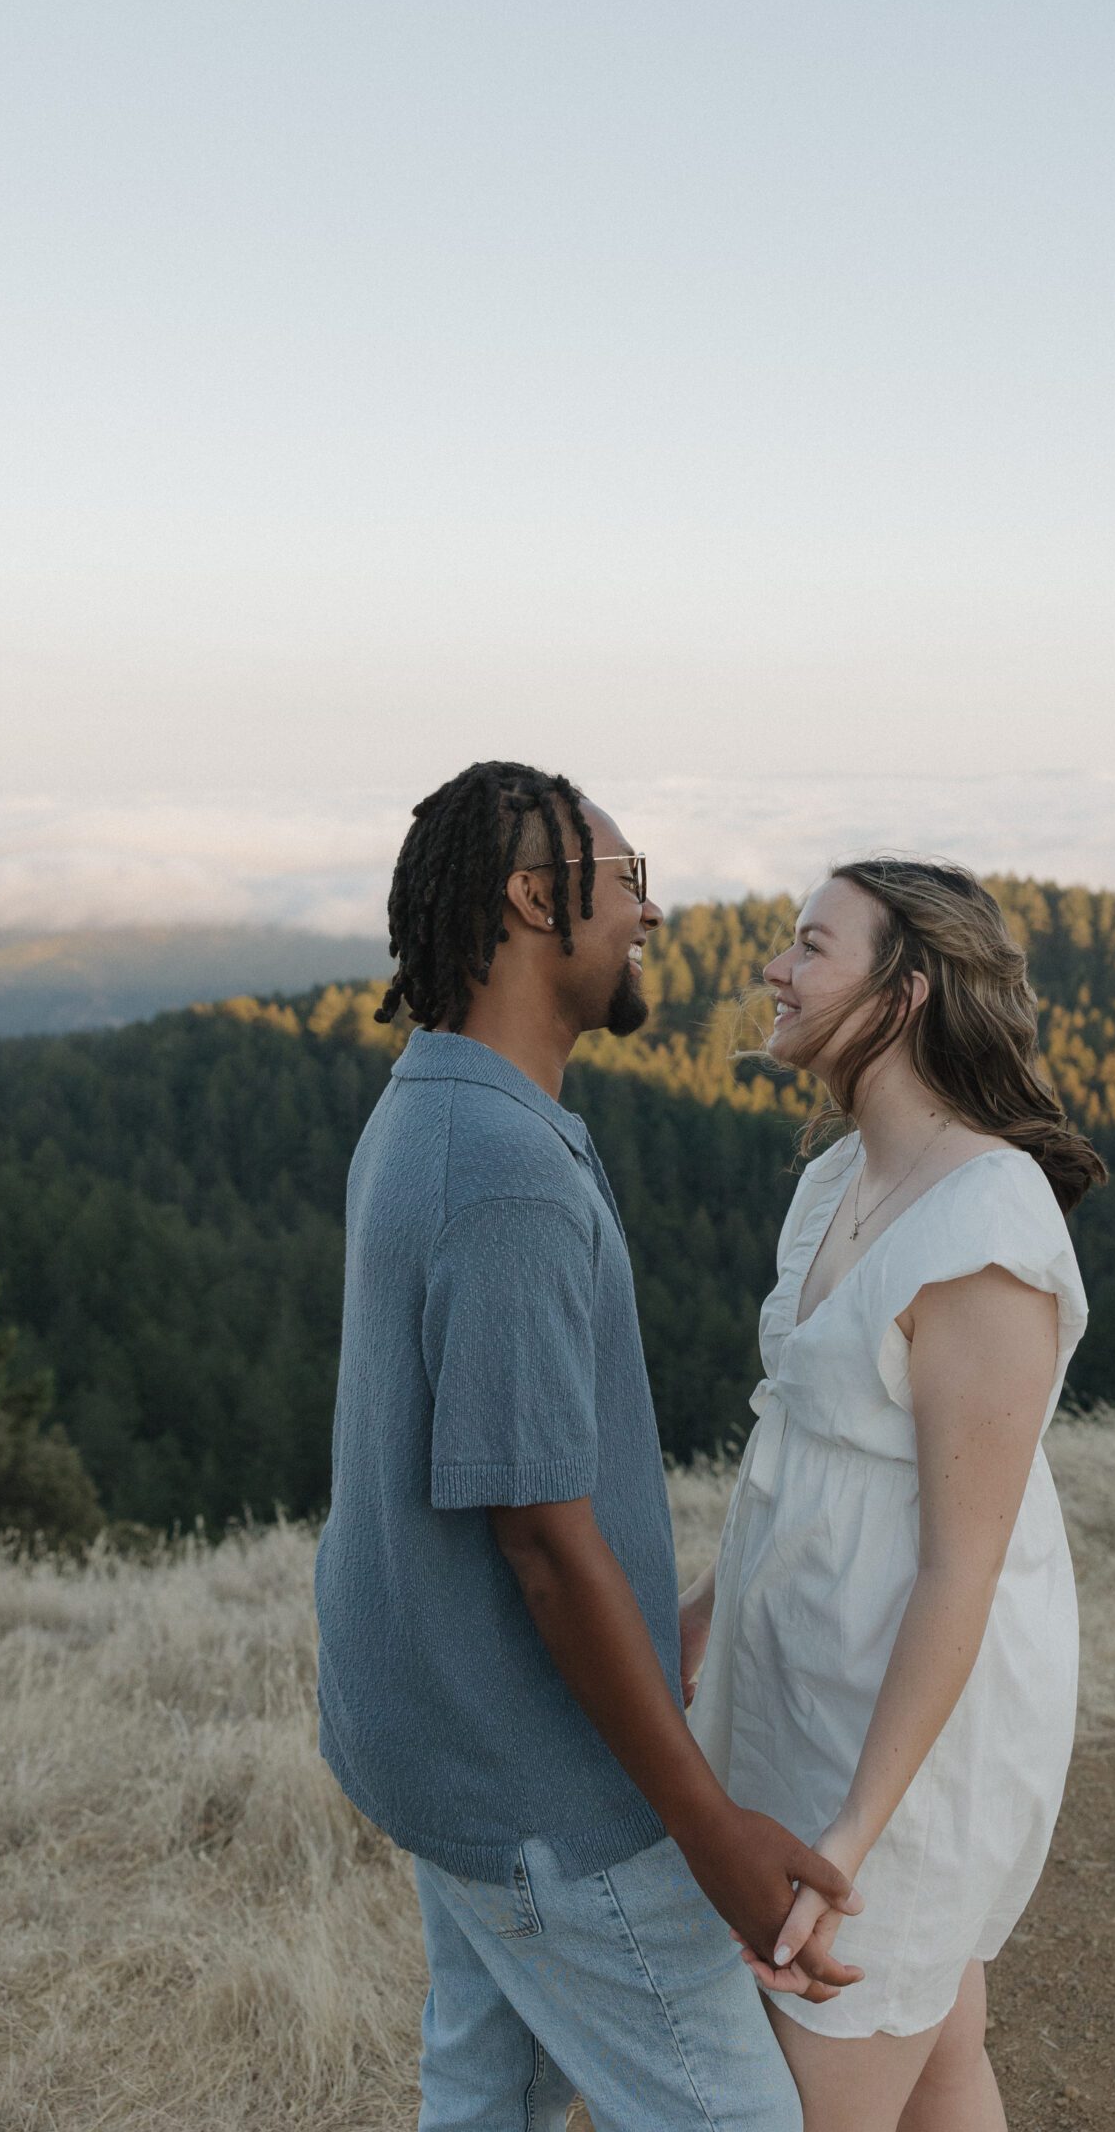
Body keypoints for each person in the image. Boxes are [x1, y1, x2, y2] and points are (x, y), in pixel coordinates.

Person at [313, 760, 861, 2132]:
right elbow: (543, 1546)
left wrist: (663, 1609)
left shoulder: (432, 1104)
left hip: (434, 1740)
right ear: (530, 896)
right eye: (624, 883)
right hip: (540, 1793)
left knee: (486, 2086)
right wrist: (708, 1832)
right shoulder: (499, 1171)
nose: (651, 913)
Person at [683, 857, 1107, 2130]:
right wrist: (704, 1608)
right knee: (941, 2055)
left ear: (906, 991)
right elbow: (799, 1449)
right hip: (801, 1696)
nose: (776, 967)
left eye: (812, 945)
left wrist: (857, 1838)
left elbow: (960, 1568)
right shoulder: (834, 1184)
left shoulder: (986, 1227)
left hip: (904, 1752)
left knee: (811, 2099)